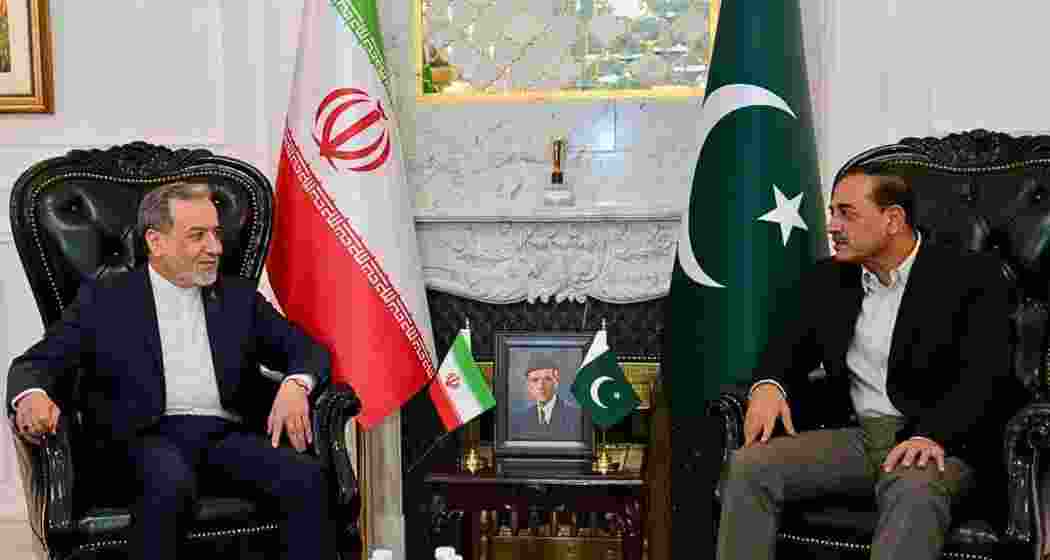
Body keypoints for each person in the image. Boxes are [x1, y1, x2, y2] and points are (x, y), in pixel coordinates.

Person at [7, 181, 336, 560]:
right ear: (156, 242)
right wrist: (32, 396)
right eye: (198, 235)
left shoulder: (238, 297)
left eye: (215, 233)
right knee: (169, 482)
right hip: (143, 439)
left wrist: (296, 385)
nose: (215, 247)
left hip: (225, 437)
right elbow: (37, 363)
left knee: (306, 480)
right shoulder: (106, 300)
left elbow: (307, 351)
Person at [717, 164, 1020, 560]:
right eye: (831, 212)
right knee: (749, 466)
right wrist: (767, 387)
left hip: (941, 443)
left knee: (915, 487)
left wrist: (930, 436)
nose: (832, 226)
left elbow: (986, 378)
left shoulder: (970, 276)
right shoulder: (828, 280)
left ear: (892, 219)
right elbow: (784, 349)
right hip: (858, 437)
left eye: (847, 213)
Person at [509, 352, 582, 440]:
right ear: (528, 386)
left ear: (556, 382)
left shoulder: (576, 417)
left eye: (547, 379)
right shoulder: (519, 419)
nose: (541, 386)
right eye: (535, 380)